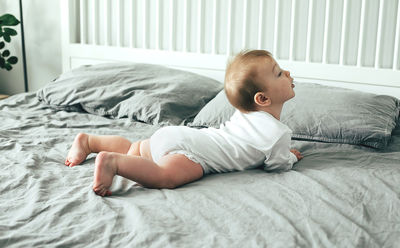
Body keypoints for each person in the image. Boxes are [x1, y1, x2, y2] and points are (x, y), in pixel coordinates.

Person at [65, 50, 303, 197]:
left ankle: (89, 141)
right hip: (193, 154)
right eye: (279, 73)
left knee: (133, 149)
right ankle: (113, 163)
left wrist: (281, 152)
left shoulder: (244, 114)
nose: (288, 72)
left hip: (178, 135)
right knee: (164, 177)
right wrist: (289, 155)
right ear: (262, 98)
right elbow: (278, 165)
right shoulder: (277, 134)